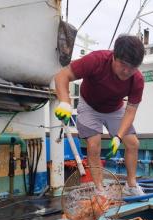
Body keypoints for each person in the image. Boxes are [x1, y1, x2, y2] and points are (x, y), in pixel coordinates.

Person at [54, 35, 145, 197]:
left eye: (132, 67)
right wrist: (65, 103)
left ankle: (131, 185)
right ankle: (99, 190)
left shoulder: (137, 79)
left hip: (115, 109)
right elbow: (62, 76)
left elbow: (130, 110)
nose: (127, 71)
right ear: (113, 57)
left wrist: (118, 137)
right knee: (94, 144)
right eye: (123, 65)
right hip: (89, 105)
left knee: (133, 143)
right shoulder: (96, 60)